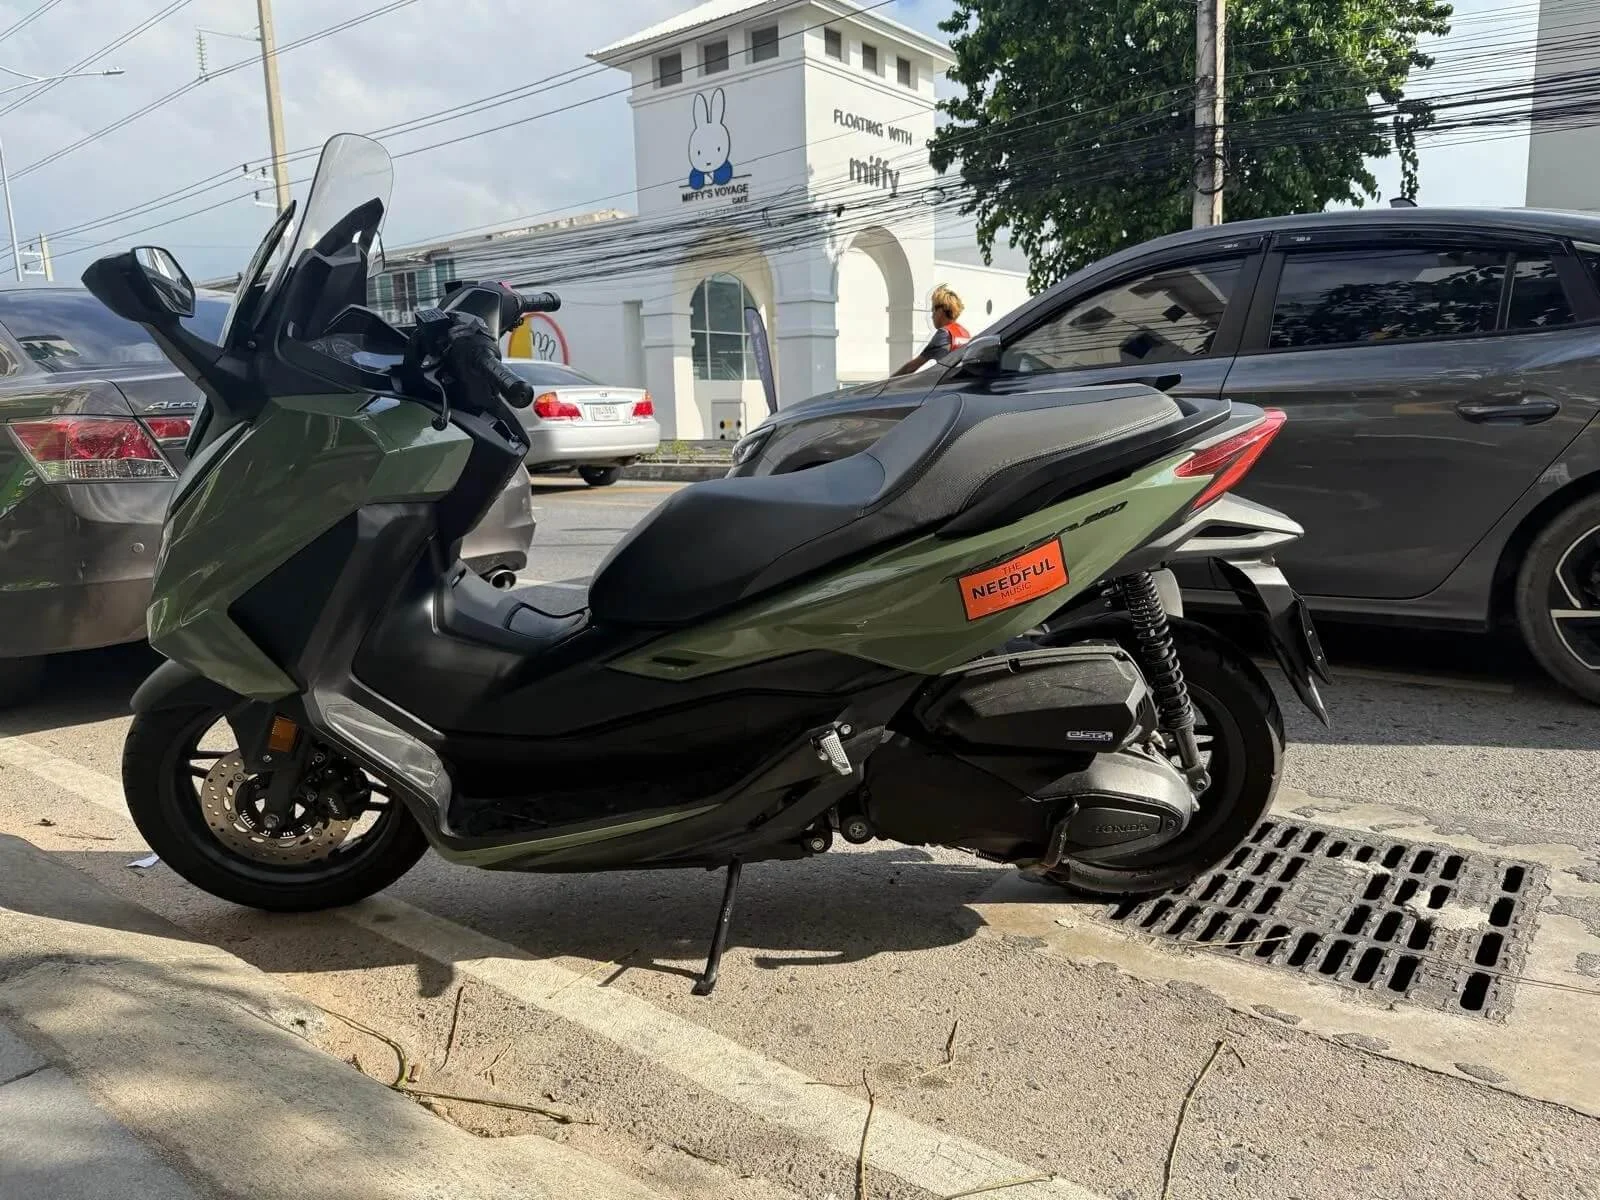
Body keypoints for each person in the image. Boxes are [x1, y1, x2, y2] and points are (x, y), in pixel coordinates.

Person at [892, 284, 971, 376]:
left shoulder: (944, 334)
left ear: (941, 311)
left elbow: (912, 367)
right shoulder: (965, 334)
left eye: (933, 310)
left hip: (944, 385)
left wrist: (886, 383)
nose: (932, 315)